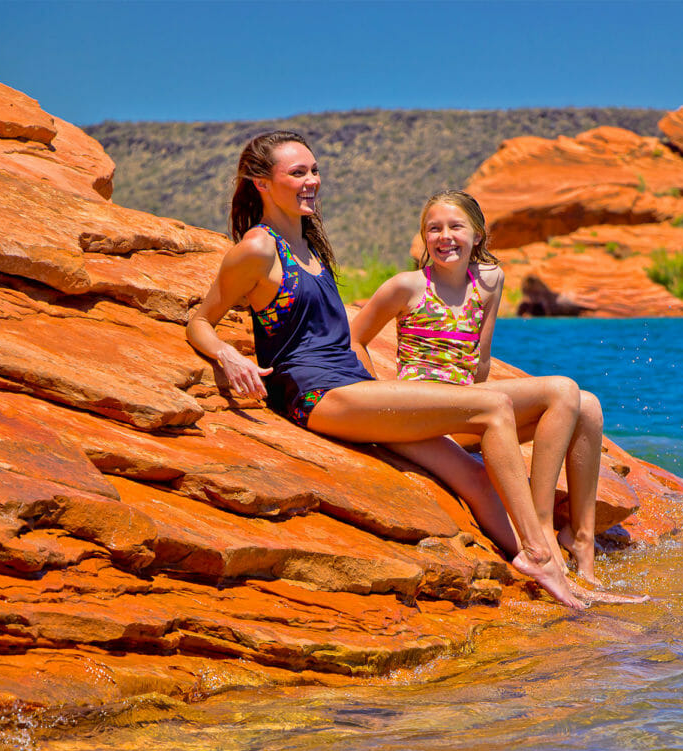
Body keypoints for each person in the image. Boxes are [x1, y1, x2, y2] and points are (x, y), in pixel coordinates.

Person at [185, 131, 585, 610]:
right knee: (493, 406)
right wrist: (228, 355)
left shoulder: (309, 244)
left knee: (477, 479)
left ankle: (558, 580)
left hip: (357, 390)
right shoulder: (258, 249)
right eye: (298, 173)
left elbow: (346, 339)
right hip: (315, 396)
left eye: (313, 170)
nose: (312, 180)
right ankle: (540, 552)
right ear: (261, 184)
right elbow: (200, 319)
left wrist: (376, 381)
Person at [350, 190, 612, 587]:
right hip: (419, 411)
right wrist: (375, 398)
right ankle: (539, 527)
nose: (444, 237)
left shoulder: (489, 280)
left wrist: (492, 420)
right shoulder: (406, 286)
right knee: (562, 389)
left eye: (456, 227)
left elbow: (481, 362)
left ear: (477, 235)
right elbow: (354, 340)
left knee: (587, 406)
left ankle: (581, 538)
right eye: (433, 229)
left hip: (465, 409)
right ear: (423, 238)